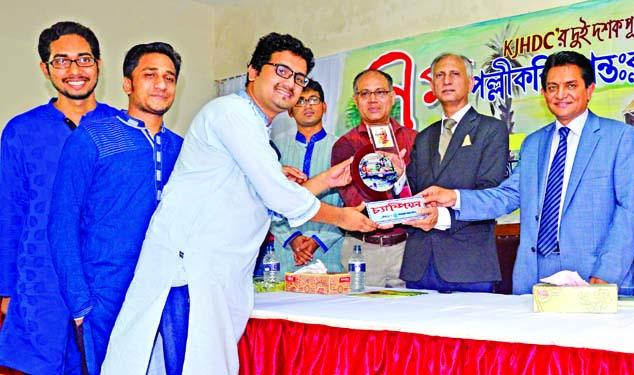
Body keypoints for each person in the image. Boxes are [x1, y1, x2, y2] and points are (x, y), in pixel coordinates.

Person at [101, 33, 377, 375]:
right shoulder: (230, 112)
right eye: (281, 70)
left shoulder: (257, 131)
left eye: (299, 77)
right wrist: (344, 218)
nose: (290, 83)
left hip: (218, 274)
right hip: (188, 273)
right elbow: (278, 195)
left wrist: (325, 181)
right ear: (253, 71)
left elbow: (262, 198)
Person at [421, 51, 634, 295]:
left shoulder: (620, 138)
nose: (561, 94)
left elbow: (631, 212)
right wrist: (455, 197)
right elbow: (506, 196)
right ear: (544, 93)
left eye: (571, 85)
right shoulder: (533, 144)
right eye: (552, 87)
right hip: (536, 276)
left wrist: (606, 273)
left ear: (590, 89)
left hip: (595, 275)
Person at [47, 42, 184, 375]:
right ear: (127, 84)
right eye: (150, 75)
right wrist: (80, 303)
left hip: (166, 293)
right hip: (105, 291)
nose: (161, 84)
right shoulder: (92, 138)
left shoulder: (183, 149)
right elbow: (61, 223)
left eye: (169, 77)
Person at [0, 21, 119, 374]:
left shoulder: (122, 128)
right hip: (42, 280)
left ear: (99, 63)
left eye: (83, 59)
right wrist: (7, 288)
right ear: (45, 68)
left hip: (106, 280)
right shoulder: (22, 131)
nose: (74, 70)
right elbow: (10, 212)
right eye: (61, 61)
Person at [400, 53, 508, 292]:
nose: (446, 80)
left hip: (468, 265)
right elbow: (413, 193)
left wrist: (442, 217)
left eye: (454, 74)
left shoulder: (491, 130)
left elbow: (490, 194)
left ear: (470, 83)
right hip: (419, 266)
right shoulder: (424, 137)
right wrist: (396, 177)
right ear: (432, 86)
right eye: (440, 75)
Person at [331, 69, 417, 288]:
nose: (372, 100)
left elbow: (422, 192)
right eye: (365, 93)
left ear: (392, 96)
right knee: (361, 318)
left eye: (380, 92)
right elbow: (354, 201)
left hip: (407, 248)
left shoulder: (414, 139)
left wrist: (400, 179)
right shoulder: (345, 145)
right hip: (363, 249)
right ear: (356, 100)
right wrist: (386, 178)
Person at [270, 79, 345, 273]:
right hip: (287, 254)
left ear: (324, 106)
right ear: (290, 110)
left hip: (329, 253)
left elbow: (348, 205)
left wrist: (318, 241)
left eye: (313, 99)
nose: (308, 106)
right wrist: (292, 238)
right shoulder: (273, 150)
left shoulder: (342, 148)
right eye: (300, 101)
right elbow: (267, 201)